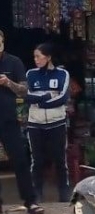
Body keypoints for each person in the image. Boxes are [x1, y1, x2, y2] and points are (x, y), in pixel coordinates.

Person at [0, 29, 43, 214]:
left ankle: (30, 201)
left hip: (8, 119)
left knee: (20, 160)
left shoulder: (13, 62)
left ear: (3, 41)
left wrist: (8, 82)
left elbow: (25, 91)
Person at [25, 43, 71, 203]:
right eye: (34, 57)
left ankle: (64, 193)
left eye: (38, 56)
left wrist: (42, 101)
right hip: (35, 124)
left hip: (57, 123)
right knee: (37, 160)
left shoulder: (62, 74)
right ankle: (36, 193)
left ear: (48, 57)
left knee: (60, 159)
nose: (35, 60)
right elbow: (27, 96)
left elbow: (63, 97)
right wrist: (47, 97)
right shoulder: (30, 74)